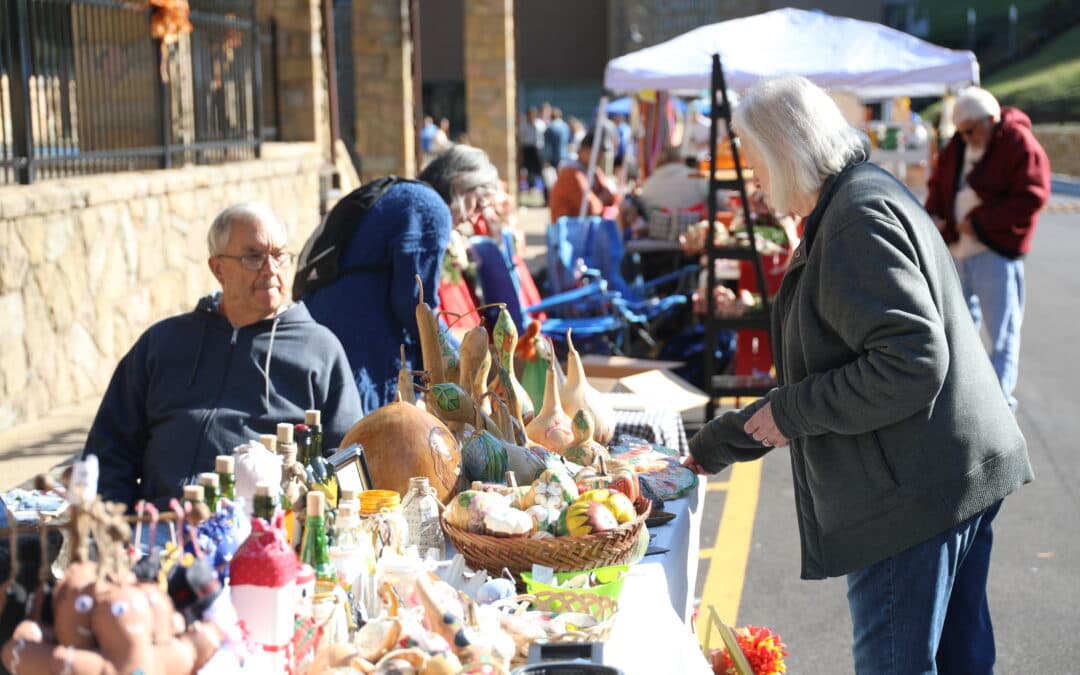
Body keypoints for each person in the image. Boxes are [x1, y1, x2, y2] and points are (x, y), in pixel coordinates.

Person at [684, 76, 1032, 674]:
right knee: (960, 660)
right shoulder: (857, 200)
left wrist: (785, 414)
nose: (757, 184)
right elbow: (833, 344)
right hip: (944, 473)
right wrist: (722, 441)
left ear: (783, 152)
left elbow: (911, 361)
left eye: (757, 164)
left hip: (913, 496)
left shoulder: (852, 219)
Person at [84, 203, 364, 511]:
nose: (271, 269)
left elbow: (345, 459)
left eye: (279, 255)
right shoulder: (163, 343)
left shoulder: (319, 349)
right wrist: (114, 527)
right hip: (160, 526)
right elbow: (108, 451)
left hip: (262, 536)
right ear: (218, 268)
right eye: (253, 257)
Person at [301, 145, 499, 413]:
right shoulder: (431, 208)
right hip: (364, 346)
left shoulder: (404, 193)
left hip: (328, 326)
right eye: (477, 204)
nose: (472, 219)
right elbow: (417, 307)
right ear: (459, 185)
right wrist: (462, 358)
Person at [924, 87, 1050, 411]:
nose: (966, 138)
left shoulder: (1017, 142)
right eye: (962, 132)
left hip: (994, 251)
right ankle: (967, 397)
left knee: (1002, 334)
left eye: (970, 131)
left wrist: (980, 224)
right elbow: (939, 185)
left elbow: (1031, 195)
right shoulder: (958, 145)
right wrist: (934, 215)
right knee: (958, 332)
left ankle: (999, 405)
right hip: (958, 250)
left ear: (991, 119)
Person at [548, 130, 618, 222]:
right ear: (582, 150)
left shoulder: (594, 171)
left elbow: (613, 198)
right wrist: (603, 198)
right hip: (570, 231)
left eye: (601, 152)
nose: (600, 157)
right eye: (596, 152)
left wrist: (602, 198)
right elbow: (590, 208)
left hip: (585, 229)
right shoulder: (571, 174)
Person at [518, 107, 547, 204]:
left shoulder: (540, 123)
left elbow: (544, 135)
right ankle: (530, 191)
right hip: (528, 149)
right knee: (529, 172)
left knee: (541, 172)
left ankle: (545, 195)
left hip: (538, 150)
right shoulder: (523, 125)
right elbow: (521, 139)